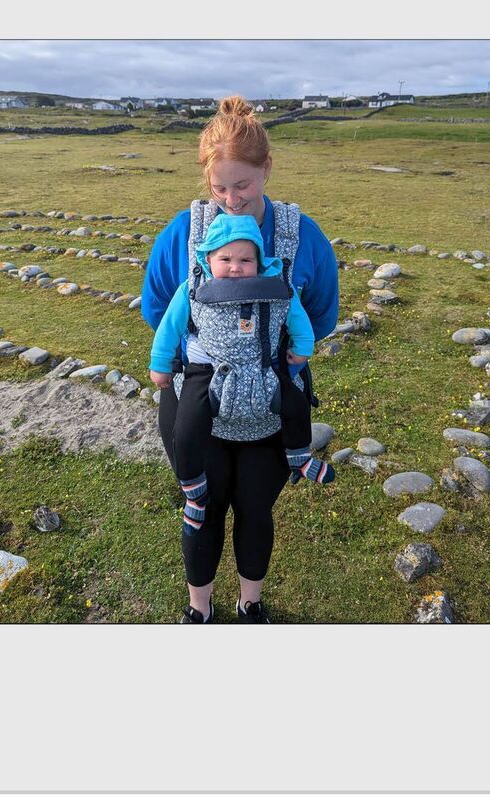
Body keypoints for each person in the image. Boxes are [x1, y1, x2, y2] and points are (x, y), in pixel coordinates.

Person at [141, 95, 339, 624]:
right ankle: (199, 612)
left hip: (270, 408)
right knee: (202, 511)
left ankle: (250, 605)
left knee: (255, 509)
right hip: (197, 403)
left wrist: (278, 352)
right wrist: (206, 354)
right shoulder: (183, 234)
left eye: (243, 185)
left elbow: (321, 314)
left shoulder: (303, 236)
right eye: (219, 187)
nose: (231, 199)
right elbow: (159, 308)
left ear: (267, 168)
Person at [148, 213, 335, 536]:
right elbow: (168, 327)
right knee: (187, 428)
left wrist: (303, 348)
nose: (235, 267)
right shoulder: (191, 289)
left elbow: (299, 319)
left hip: (263, 368)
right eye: (225, 259)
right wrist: (160, 363)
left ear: (259, 262)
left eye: (245, 260)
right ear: (208, 259)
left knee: (295, 404)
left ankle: (300, 457)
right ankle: (194, 492)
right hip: (206, 372)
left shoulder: (276, 288)